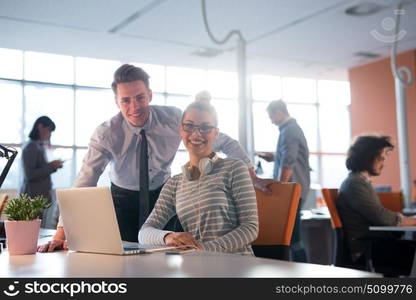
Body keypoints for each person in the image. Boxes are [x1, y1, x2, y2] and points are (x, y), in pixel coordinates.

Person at [39, 64, 269, 252]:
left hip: (163, 194)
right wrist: (60, 233)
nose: (135, 106)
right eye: (126, 100)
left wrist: (252, 176)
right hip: (123, 199)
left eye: (140, 97)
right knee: (122, 259)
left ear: (149, 94)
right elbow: (84, 182)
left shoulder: (173, 119)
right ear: (117, 101)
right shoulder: (107, 133)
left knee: (167, 257)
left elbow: (224, 142)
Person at [139, 99, 258, 254]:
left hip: (236, 266)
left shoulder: (234, 168)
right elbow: (144, 232)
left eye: (205, 127)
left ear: (216, 133)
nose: (196, 134)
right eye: (189, 126)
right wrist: (168, 237)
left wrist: (204, 249)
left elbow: (250, 227)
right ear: (181, 130)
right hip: (197, 267)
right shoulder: (175, 183)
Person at [337, 134, 416, 276]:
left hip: (373, 245)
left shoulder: (360, 182)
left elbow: (381, 216)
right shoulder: (355, 184)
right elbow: (382, 218)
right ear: (368, 157)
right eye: (381, 158)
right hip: (366, 250)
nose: (383, 163)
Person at [257, 100, 309, 262]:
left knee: (293, 239)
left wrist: (279, 191)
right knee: (293, 238)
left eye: (271, 115)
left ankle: (302, 274)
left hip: (291, 191)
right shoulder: (289, 130)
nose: (271, 120)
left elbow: (288, 162)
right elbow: (288, 156)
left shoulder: (289, 131)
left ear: (280, 112)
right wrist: (273, 157)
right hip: (296, 189)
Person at [21, 116, 63, 228]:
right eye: (49, 130)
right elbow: (30, 175)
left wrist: (51, 166)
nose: (50, 134)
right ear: (40, 127)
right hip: (33, 199)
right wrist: (50, 166)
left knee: (38, 232)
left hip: (38, 198)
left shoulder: (37, 146)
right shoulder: (31, 146)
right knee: (34, 233)